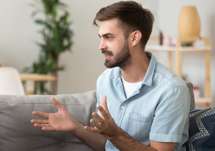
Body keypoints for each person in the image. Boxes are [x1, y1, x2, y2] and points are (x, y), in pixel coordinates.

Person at [31, 1, 190, 151]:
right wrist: (74, 125)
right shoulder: (106, 80)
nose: (101, 46)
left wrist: (114, 133)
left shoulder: (171, 90)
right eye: (101, 38)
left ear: (134, 38)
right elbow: (106, 145)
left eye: (109, 37)